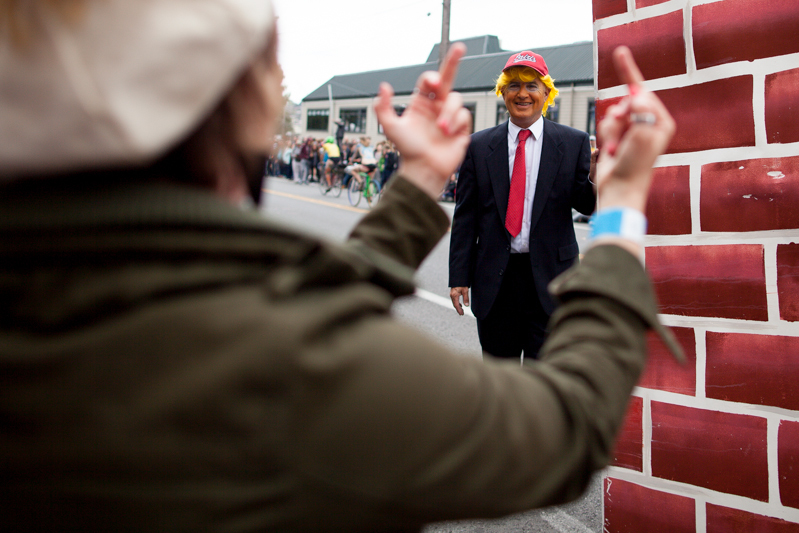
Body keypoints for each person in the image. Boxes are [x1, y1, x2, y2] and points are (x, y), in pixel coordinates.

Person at [0, 0, 681, 529]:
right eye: (270, 75)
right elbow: (566, 427)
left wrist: (414, 184)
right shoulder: (296, 374)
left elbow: (306, 311)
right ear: (244, 109)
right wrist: (622, 209)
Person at [449, 50, 597, 361]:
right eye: (513, 85)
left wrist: (598, 179)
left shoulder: (574, 143)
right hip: (495, 281)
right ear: (502, 92)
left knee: (543, 378)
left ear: (547, 93)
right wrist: (458, 277)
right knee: (498, 378)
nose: (523, 93)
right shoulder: (477, 146)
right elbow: (466, 216)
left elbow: (587, 206)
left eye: (532, 85)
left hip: (553, 280)